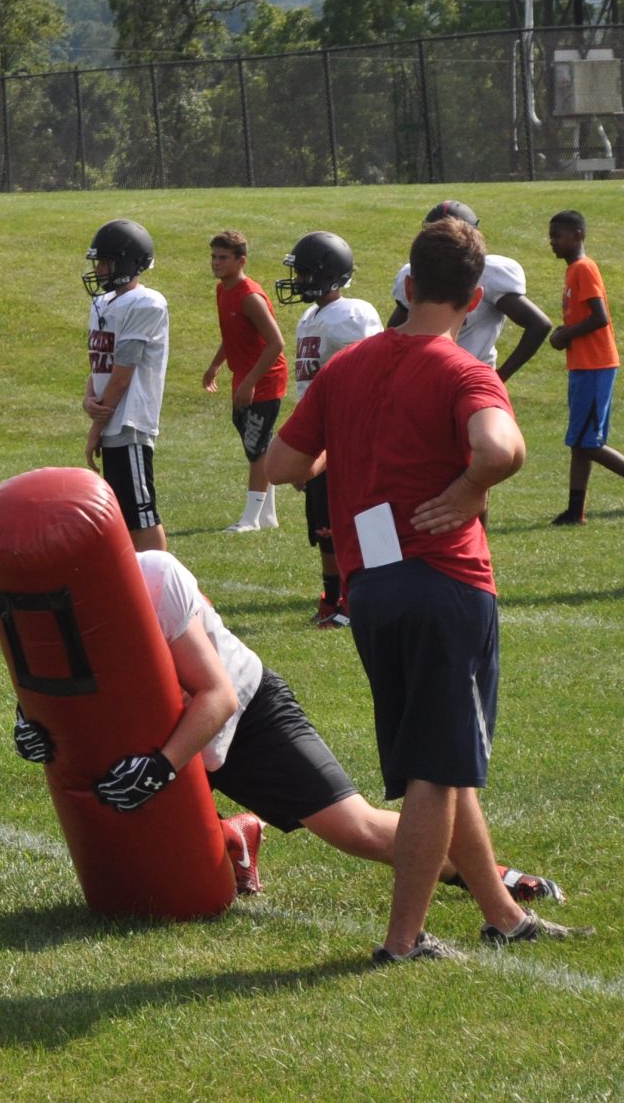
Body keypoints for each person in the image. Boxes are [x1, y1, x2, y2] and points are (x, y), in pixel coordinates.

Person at [264, 217, 584, 962]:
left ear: (407, 285)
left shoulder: (346, 366)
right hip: (445, 582)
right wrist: (472, 486)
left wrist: (347, 448)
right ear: (474, 302)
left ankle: (503, 915)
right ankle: (403, 942)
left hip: (368, 589)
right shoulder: (463, 368)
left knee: (440, 760)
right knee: (436, 772)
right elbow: (502, 449)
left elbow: (281, 465)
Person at [9, 545, 567, 907]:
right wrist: (33, 724)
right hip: (151, 732)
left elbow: (218, 696)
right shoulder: (38, 608)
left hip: (242, 714)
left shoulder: (154, 577)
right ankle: (233, 833)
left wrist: (159, 767)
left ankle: (491, 877)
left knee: (357, 831)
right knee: (137, 869)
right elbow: (50, 688)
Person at [275, 230, 381, 630]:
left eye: (304, 274)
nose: (298, 282)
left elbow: (371, 376)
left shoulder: (354, 314)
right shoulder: (311, 316)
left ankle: (360, 597)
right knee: (323, 525)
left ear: (329, 275)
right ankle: (333, 596)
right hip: (320, 431)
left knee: (355, 520)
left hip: (349, 434)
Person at [545, 210, 624, 527]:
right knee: (580, 440)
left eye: (558, 235)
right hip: (583, 364)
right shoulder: (573, 270)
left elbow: (600, 318)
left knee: (588, 442)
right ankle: (575, 510)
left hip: (595, 364)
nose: (552, 242)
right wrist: (565, 333)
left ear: (578, 235)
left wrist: (565, 334)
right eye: (551, 236)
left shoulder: (584, 268)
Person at [80, 218, 171, 551]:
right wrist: (89, 397)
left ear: (128, 263)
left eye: (106, 262)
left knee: (140, 513)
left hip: (129, 420)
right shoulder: (104, 303)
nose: (99, 269)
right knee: (123, 513)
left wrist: (95, 427)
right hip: (111, 418)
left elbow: (123, 370)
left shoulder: (146, 303)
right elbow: (101, 361)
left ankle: (159, 589)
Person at [386, 201, 551, 381]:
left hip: (466, 376)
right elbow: (395, 329)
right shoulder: (414, 273)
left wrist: (500, 376)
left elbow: (539, 324)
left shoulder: (489, 274)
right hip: (429, 375)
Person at [200, 230, 289, 534]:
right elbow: (232, 335)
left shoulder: (249, 296)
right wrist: (215, 366)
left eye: (223, 258)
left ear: (241, 261)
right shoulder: (223, 291)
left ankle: (250, 519)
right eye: (213, 256)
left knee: (257, 446)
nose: (216, 263)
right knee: (256, 442)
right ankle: (267, 516)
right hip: (245, 377)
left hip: (264, 379)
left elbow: (276, 343)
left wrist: (250, 382)